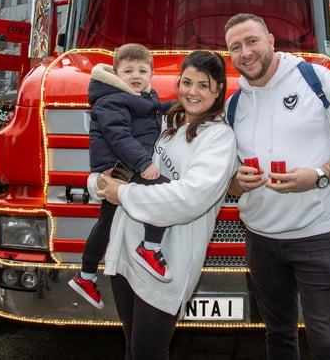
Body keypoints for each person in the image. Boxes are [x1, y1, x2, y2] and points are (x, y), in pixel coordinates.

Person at [224, 13, 330, 360]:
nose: (245, 52)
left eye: (252, 41)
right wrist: (237, 183)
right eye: (235, 47)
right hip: (261, 241)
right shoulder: (235, 104)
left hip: (317, 238)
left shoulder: (315, 79)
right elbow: (229, 181)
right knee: (278, 337)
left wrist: (319, 175)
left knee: (325, 343)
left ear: (271, 41)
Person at [97, 50, 236, 360]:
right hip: (126, 250)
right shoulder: (167, 121)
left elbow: (189, 198)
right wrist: (102, 183)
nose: (192, 91)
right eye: (187, 82)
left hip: (167, 265)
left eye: (203, 84)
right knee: (133, 349)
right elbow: (132, 161)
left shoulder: (219, 138)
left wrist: (124, 195)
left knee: (150, 352)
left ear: (218, 89)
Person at [69, 44, 175, 309]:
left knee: (105, 221)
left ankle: (85, 276)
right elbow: (118, 136)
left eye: (142, 70)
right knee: (163, 191)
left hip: (121, 165)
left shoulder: (139, 96)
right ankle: (149, 248)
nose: (136, 75)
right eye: (128, 70)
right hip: (121, 166)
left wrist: (174, 105)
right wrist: (143, 163)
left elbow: (148, 111)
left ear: (151, 73)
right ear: (116, 73)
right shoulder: (112, 99)